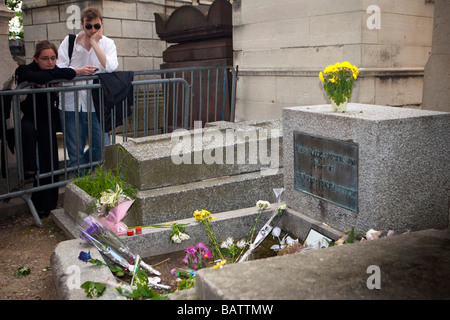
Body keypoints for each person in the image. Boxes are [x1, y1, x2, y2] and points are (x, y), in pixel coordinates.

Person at [15, 40, 77, 218]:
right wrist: (50, 77)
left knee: (50, 161)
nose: (50, 62)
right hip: (31, 119)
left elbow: (68, 73)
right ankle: (31, 180)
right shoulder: (25, 70)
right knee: (36, 153)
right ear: (35, 58)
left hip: (48, 121)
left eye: (53, 58)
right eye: (45, 59)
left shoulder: (53, 71)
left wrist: (53, 76)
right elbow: (36, 76)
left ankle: (48, 205)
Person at [57, 7, 118, 175]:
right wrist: (78, 71)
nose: (93, 30)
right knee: (75, 152)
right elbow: (59, 68)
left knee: (101, 150)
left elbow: (111, 66)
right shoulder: (69, 42)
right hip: (71, 105)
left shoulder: (107, 43)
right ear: (82, 25)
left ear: (102, 24)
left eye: (96, 26)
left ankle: (88, 179)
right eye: (88, 26)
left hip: (96, 105)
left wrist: (93, 43)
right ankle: (78, 186)